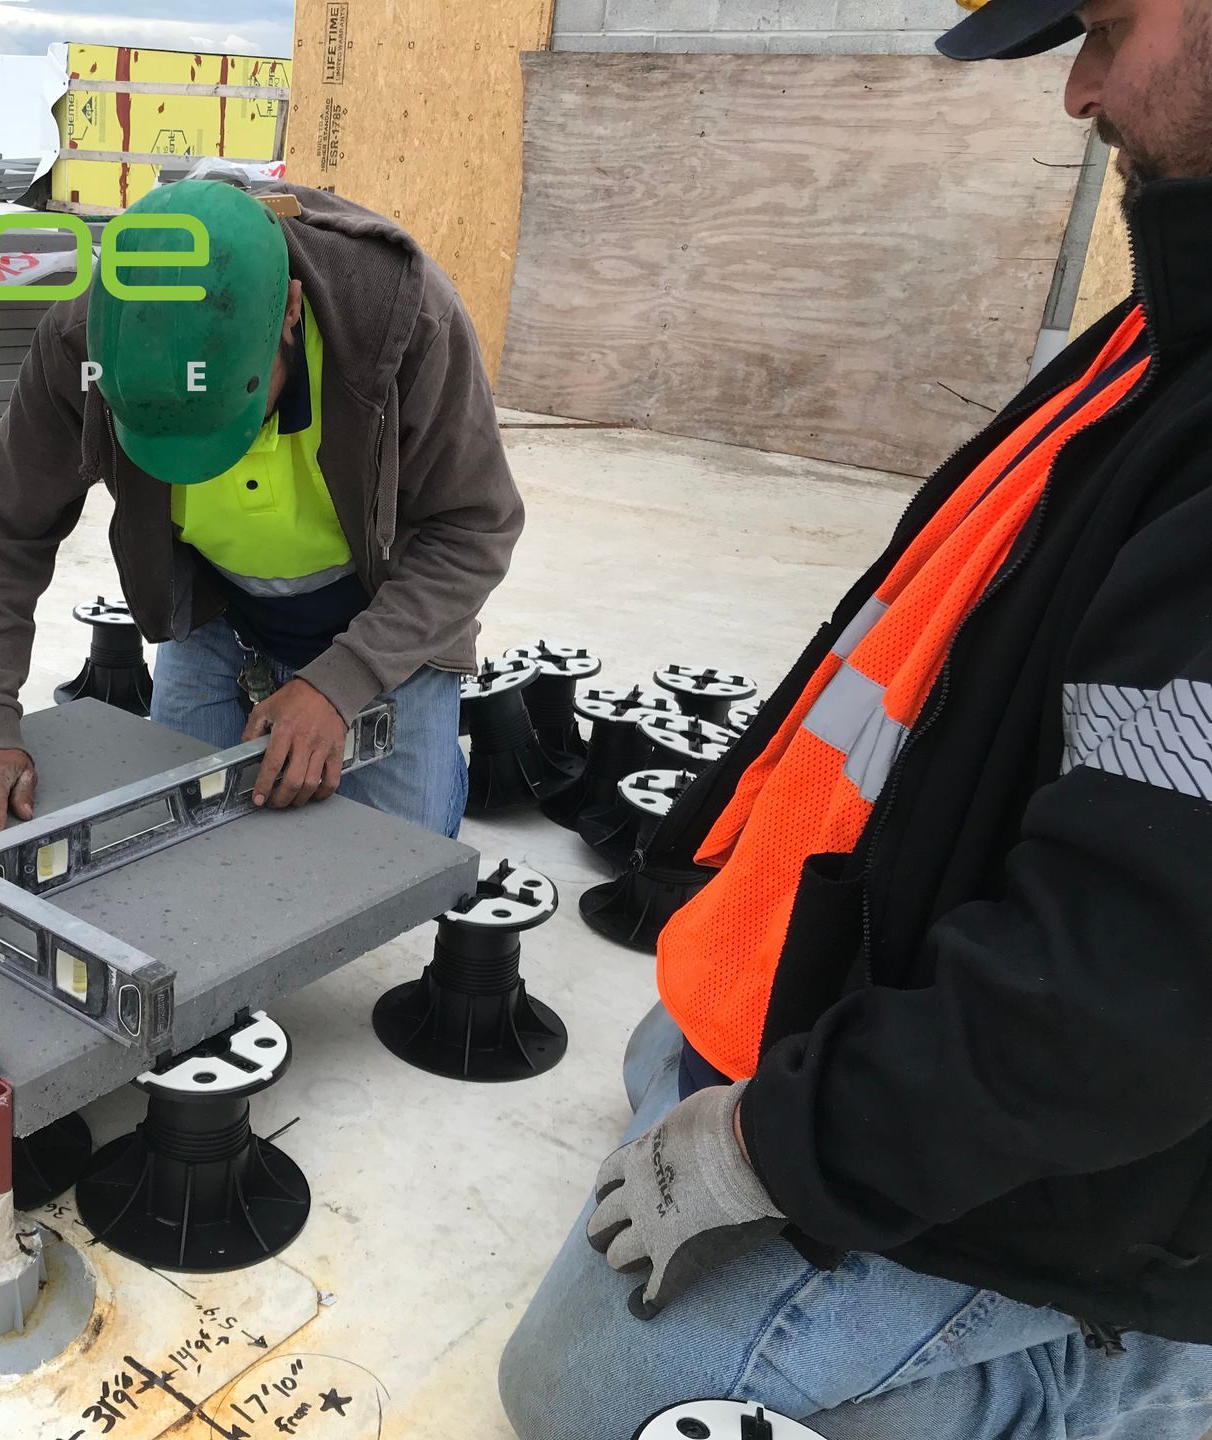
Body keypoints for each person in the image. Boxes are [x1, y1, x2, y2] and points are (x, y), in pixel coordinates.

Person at [500, 0, 1212, 1436]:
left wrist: (773, 1146)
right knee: (661, 1054)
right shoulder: (1164, 330)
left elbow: (1130, 991)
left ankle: (1123, 1373)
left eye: (1109, 27)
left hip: (1095, 1181)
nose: (1077, 92)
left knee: (581, 1393)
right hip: (943, 1016)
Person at [0, 178, 523, 840]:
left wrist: (340, 685)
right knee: (176, 836)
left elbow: (474, 527)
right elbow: (2, 530)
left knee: (397, 851)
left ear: (290, 311)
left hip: (385, 609)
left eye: (228, 412)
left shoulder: (400, 319)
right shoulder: (85, 343)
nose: (209, 461)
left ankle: (430, 748)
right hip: (221, 612)